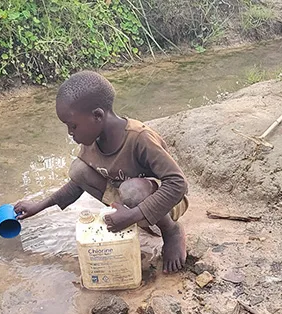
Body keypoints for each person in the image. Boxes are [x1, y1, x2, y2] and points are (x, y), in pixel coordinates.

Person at [14, 71, 189, 273]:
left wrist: (133, 215)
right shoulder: (92, 141)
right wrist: (39, 206)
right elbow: (77, 183)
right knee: (78, 169)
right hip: (131, 203)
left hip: (167, 203)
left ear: (97, 116)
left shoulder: (139, 138)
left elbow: (178, 183)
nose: (70, 133)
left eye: (73, 126)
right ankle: (137, 219)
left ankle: (171, 231)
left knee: (132, 190)